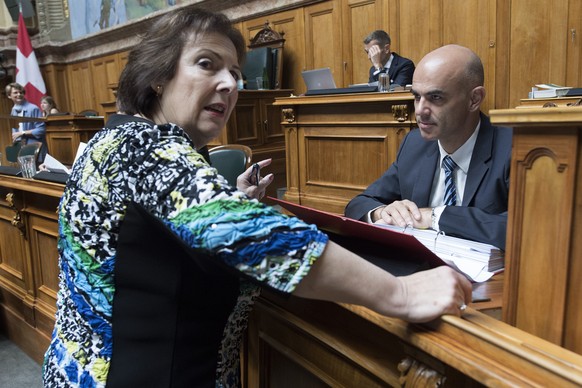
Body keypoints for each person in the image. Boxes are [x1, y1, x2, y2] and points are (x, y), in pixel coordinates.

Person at [42, 9, 471, 387]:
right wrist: (402, 294)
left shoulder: (117, 137)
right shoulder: (141, 146)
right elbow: (247, 232)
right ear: (157, 75)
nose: (230, 83)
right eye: (207, 64)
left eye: (235, 72)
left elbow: (146, 241)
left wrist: (227, 196)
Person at [345, 44, 512, 250]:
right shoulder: (415, 144)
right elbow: (360, 203)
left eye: (436, 98)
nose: (420, 111)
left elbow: (527, 227)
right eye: (416, 96)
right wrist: (383, 212)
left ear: (474, 99)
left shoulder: (514, 149)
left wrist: (435, 217)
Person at [6, 82, 48, 162]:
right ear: (9, 96)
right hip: (21, 149)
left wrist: (23, 133)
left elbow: (42, 129)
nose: (19, 94)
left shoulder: (33, 108)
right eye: (15, 92)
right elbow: (15, 130)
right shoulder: (13, 110)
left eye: (21, 92)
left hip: (35, 148)